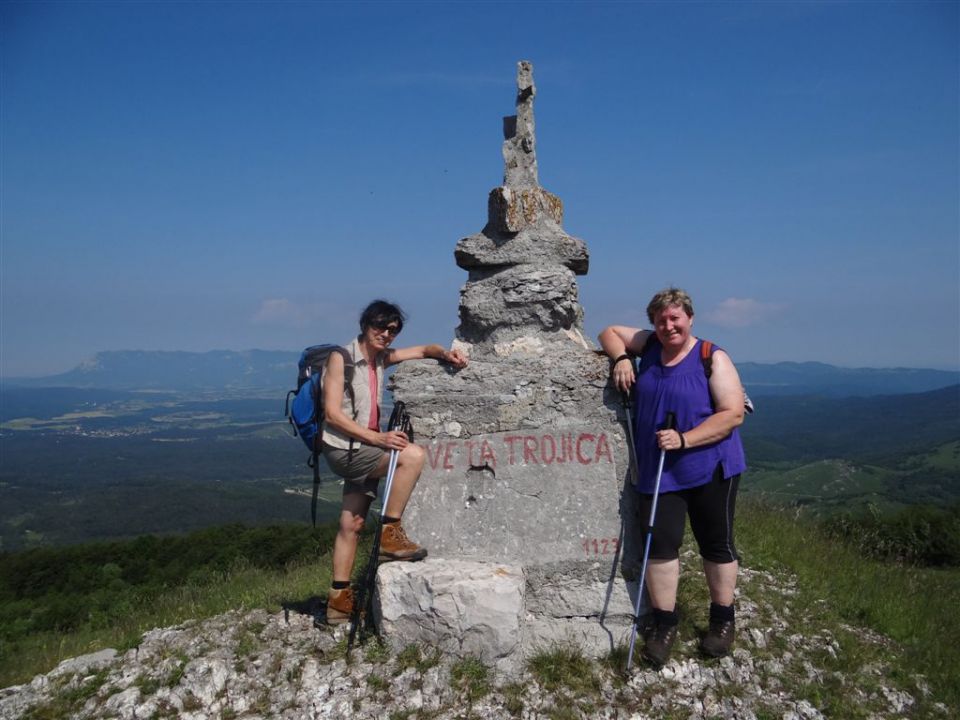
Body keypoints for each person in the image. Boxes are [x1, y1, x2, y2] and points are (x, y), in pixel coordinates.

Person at [599, 287, 746, 665]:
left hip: (710, 467)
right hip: (658, 469)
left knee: (715, 542)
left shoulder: (710, 356)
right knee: (661, 545)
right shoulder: (648, 348)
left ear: (690, 318)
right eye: (661, 319)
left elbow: (732, 414)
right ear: (654, 323)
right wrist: (621, 359)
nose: (668, 325)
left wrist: (684, 439)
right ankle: (665, 624)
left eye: (675, 318)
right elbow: (609, 332)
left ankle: (722, 621)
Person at [322, 299, 468, 624]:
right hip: (347, 449)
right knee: (412, 456)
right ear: (365, 324)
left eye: (392, 330)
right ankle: (391, 532)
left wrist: (443, 353)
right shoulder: (341, 358)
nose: (386, 334)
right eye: (380, 326)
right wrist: (379, 439)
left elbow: (420, 351)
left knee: (352, 524)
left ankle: (338, 603)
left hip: (359, 447)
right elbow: (331, 414)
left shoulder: (379, 359)